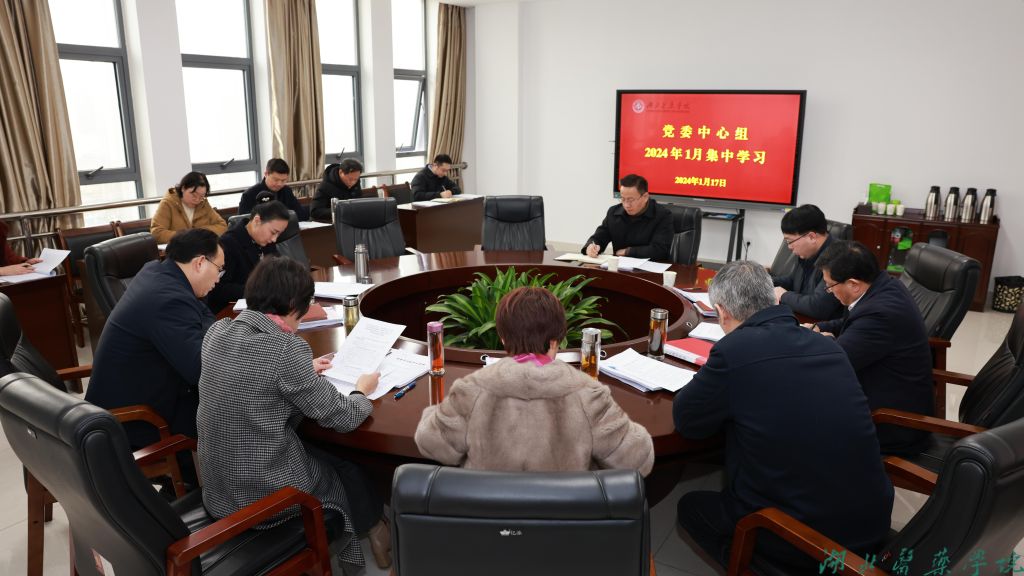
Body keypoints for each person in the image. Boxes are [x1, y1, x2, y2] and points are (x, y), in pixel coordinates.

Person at [673, 260, 893, 572]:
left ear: (722, 312)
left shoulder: (735, 350)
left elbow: (688, 421)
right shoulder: (829, 346)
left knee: (691, 507)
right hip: (870, 522)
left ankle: (754, 566)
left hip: (806, 540)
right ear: (773, 298)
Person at [197, 257, 389, 573]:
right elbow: (342, 417)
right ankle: (358, 555)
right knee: (339, 473)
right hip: (262, 497)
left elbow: (247, 374)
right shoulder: (286, 349)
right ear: (291, 305)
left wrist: (301, 371)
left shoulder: (218, 332)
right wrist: (361, 390)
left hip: (218, 489)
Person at [415, 286, 654, 475]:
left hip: (489, 518)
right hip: (565, 519)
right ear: (556, 340)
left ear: (502, 338)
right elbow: (637, 459)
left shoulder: (472, 390)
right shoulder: (588, 394)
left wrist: (435, 412)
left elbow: (429, 441)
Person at [86, 229, 223, 451]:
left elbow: (203, 313)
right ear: (200, 263)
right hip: (137, 423)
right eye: (219, 269)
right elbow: (201, 370)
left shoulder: (158, 272)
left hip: (151, 395)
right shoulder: (168, 299)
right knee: (240, 412)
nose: (218, 279)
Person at [811, 240, 934, 455]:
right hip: (880, 389)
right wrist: (819, 328)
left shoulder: (880, 315)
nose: (828, 291)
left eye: (830, 286)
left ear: (853, 284)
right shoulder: (883, 285)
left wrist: (821, 341)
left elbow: (834, 362)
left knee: (802, 409)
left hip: (891, 422)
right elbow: (850, 323)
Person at [207, 200, 291, 313]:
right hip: (231, 311)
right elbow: (217, 289)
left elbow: (277, 269)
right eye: (273, 232)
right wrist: (259, 291)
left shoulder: (267, 241)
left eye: (279, 234)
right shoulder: (228, 244)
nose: (274, 239)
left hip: (262, 306)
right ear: (257, 221)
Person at [771, 204, 844, 320]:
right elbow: (793, 281)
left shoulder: (839, 257)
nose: (789, 247)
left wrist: (783, 295)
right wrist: (764, 282)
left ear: (811, 237)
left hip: (823, 326)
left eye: (790, 241)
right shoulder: (807, 252)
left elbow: (818, 307)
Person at [582, 173, 672, 261]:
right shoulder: (613, 213)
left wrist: (628, 252)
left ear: (645, 197)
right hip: (620, 267)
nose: (626, 205)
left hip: (651, 268)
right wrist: (591, 247)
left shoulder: (662, 215)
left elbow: (660, 250)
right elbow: (599, 237)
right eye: (623, 199)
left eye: (630, 200)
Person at [150, 171, 228, 244]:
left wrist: (199, 233)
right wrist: (185, 236)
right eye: (194, 195)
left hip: (202, 249)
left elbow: (222, 226)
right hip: (178, 250)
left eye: (201, 196)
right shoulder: (168, 203)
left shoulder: (203, 204)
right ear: (183, 188)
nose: (197, 200)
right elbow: (156, 233)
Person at [238, 158, 308, 220]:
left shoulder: (287, 191)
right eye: (276, 180)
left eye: (283, 180)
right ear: (266, 174)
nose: (279, 184)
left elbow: (301, 214)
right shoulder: (250, 194)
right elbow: (243, 221)